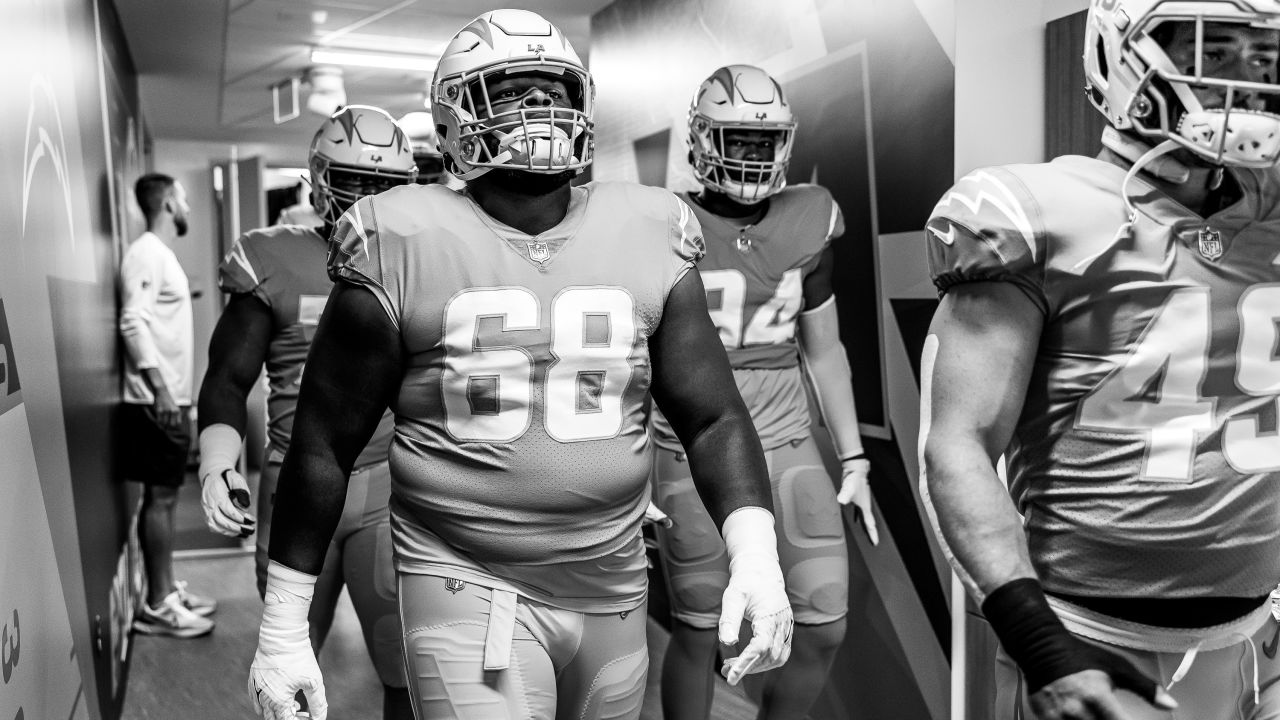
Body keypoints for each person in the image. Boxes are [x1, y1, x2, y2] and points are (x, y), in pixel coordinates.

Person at [245, 9, 794, 720]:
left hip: (613, 578)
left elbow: (713, 416)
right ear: (450, 118)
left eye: (554, 92)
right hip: (464, 578)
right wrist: (284, 624)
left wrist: (755, 551)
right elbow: (324, 444)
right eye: (512, 92)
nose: (538, 109)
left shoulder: (648, 229)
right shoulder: (400, 238)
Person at [920, 1, 1280, 718]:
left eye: (1261, 58)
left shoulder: (1267, 214)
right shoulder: (1036, 211)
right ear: (1124, 63)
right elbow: (957, 446)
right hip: (1092, 640)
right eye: (1213, 52)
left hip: (1254, 641)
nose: (1245, 83)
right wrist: (1040, 643)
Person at [649, 64, 875, 720]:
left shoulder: (811, 216)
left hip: (787, 432)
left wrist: (855, 457)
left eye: (762, 139)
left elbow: (825, 349)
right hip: (689, 437)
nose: (749, 154)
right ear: (699, 140)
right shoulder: (664, 220)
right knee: (700, 626)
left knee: (825, 617)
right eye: (733, 139)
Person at [197, 105, 416, 718]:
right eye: (354, 181)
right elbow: (227, 377)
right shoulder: (271, 257)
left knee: (410, 675)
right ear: (318, 181)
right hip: (295, 479)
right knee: (285, 676)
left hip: (390, 484)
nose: (369, 200)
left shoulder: (421, 262)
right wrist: (217, 460)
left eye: (384, 185)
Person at [119, 173, 217, 638]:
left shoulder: (161, 256)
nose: (188, 207)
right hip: (154, 400)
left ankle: (164, 589)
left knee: (166, 498)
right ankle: (157, 604)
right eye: (182, 198)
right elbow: (132, 321)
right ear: (165, 202)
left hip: (170, 396)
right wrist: (159, 388)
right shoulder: (145, 254)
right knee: (160, 499)